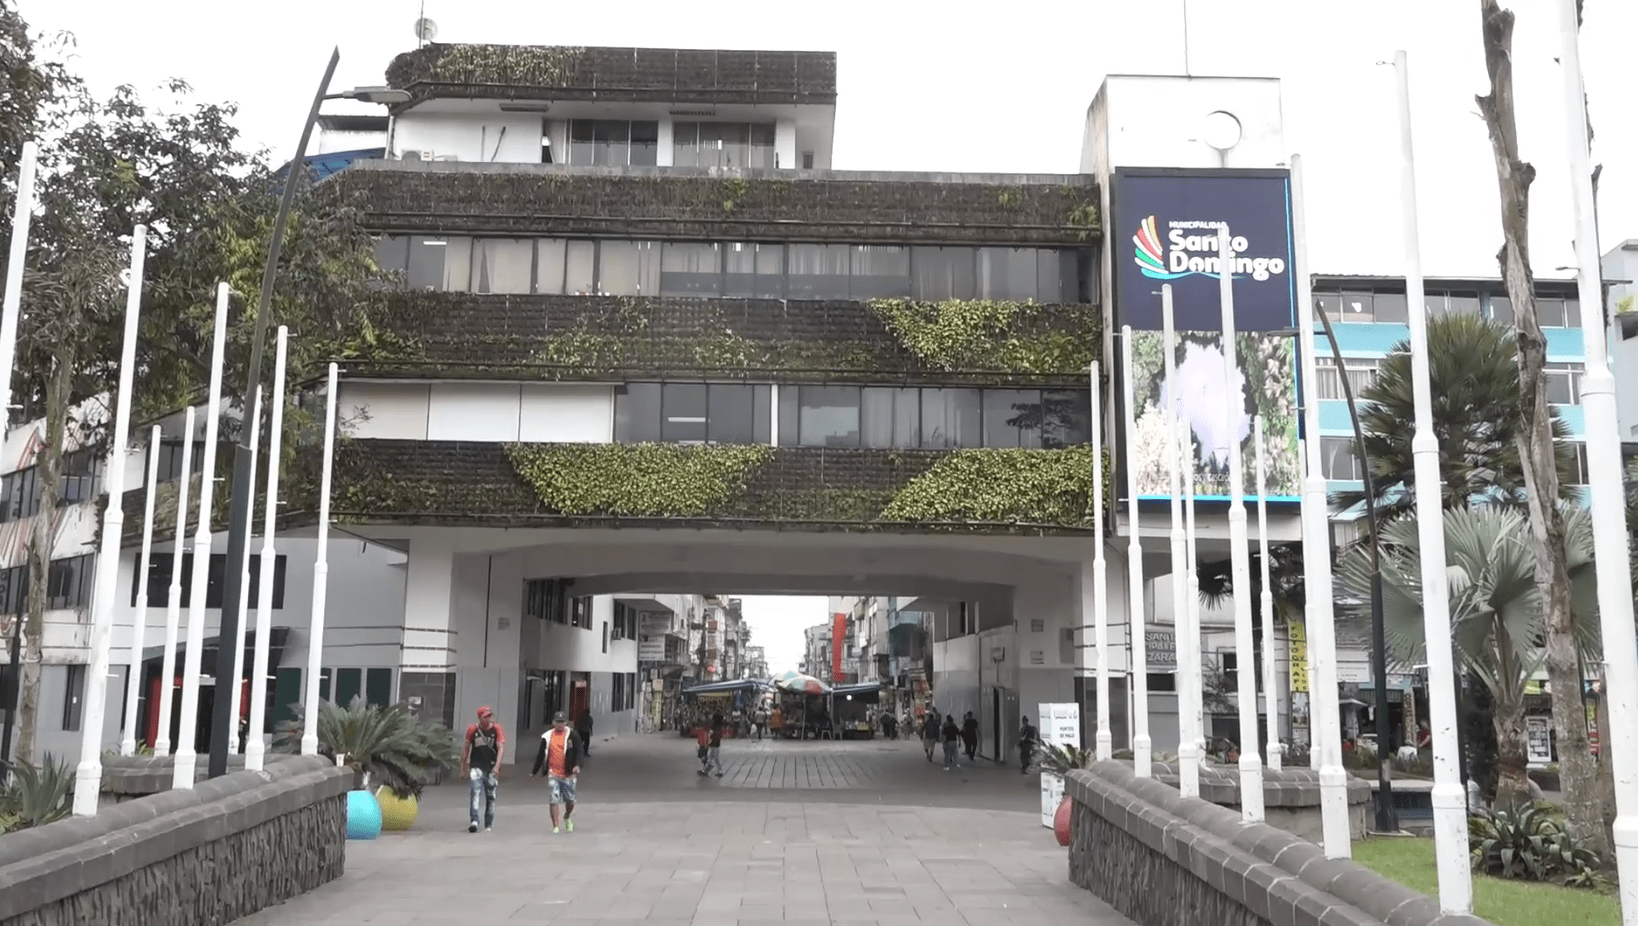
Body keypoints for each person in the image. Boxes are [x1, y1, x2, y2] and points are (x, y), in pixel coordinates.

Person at [531, 711, 582, 834]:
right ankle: (555, 825)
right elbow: (541, 755)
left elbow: (579, 752)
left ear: (566, 723)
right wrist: (534, 771)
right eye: (557, 722)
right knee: (554, 800)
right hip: (553, 773)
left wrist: (577, 765)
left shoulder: (572, 735)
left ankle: (567, 816)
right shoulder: (547, 736)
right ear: (553, 722)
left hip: (568, 774)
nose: (560, 724)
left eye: (562, 722)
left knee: (570, 801)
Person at [461, 705, 505, 833]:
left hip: (491, 766)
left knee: (491, 796)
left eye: (489, 716)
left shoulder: (496, 728)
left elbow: (500, 748)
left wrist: (497, 766)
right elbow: (466, 748)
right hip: (476, 765)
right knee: (475, 792)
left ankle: (488, 823)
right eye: (485, 717)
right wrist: (463, 767)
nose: (488, 719)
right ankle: (474, 820)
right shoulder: (472, 729)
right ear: (480, 718)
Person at [704, 713, 725, 777]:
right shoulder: (719, 727)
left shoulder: (713, 726)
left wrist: (707, 743)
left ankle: (720, 771)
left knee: (715, 758)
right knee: (711, 757)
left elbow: (710, 735)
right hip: (717, 743)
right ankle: (705, 769)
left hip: (713, 743)